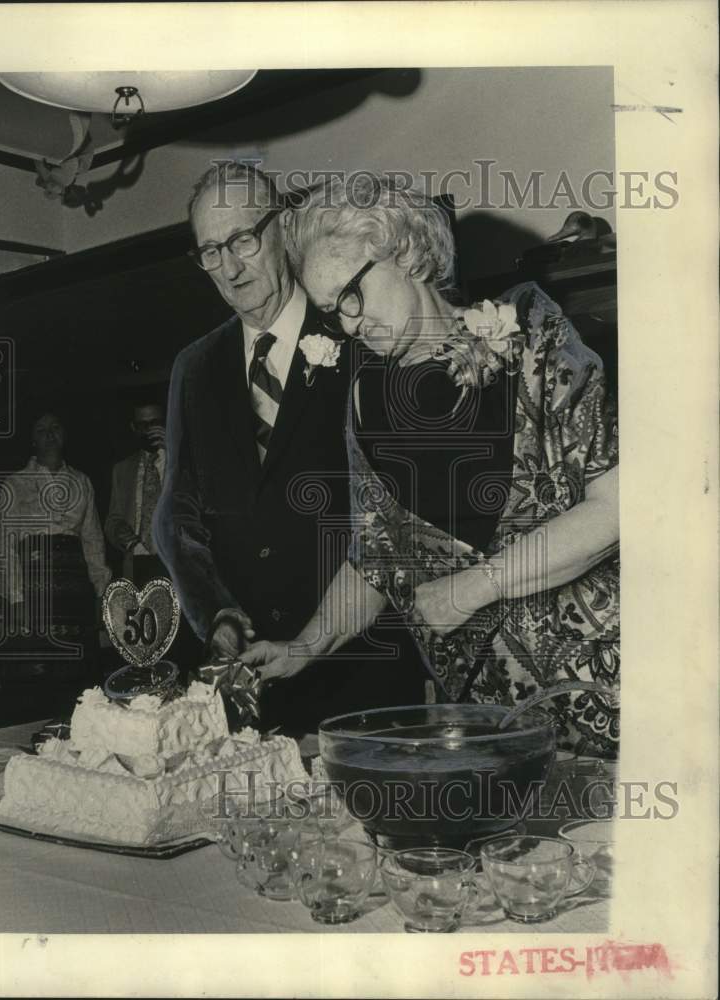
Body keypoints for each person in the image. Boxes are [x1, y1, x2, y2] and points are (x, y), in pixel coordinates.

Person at [241, 174, 620, 757]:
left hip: (615, 689)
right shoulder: (366, 398)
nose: (347, 323)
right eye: (328, 312)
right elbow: (377, 556)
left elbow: (618, 510)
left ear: (406, 251)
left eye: (351, 295)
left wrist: (472, 589)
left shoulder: (531, 338)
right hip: (499, 724)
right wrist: (305, 646)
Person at [153, 161, 423, 734]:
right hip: (252, 688)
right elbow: (178, 510)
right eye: (210, 251)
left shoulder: (361, 332)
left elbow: (403, 516)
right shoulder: (193, 367)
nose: (228, 266)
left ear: (283, 227)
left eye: (243, 240)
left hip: (363, 674)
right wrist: (215, 610)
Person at [0, 412, 111, 688]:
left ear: (65, 434)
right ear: (32, 440)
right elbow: (6, 547)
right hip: (32, 592)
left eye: (55, 427)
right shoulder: (14, 484)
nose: (49, 434)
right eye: (41, 429)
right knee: (35, 677)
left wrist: (100, 592)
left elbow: (93, 540)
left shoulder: (82, 481)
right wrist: (16, 600)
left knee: (78, 678)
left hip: (75, 591)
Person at [104, 397, 167, 588]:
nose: (148, 430)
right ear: (133, 428)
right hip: (137, 564)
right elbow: (112, 520)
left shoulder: (185, 463)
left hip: (175, 563)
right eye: (142, 425)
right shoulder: (121, 469)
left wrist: (173, 451)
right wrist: (119, 532)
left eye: (155, 423)